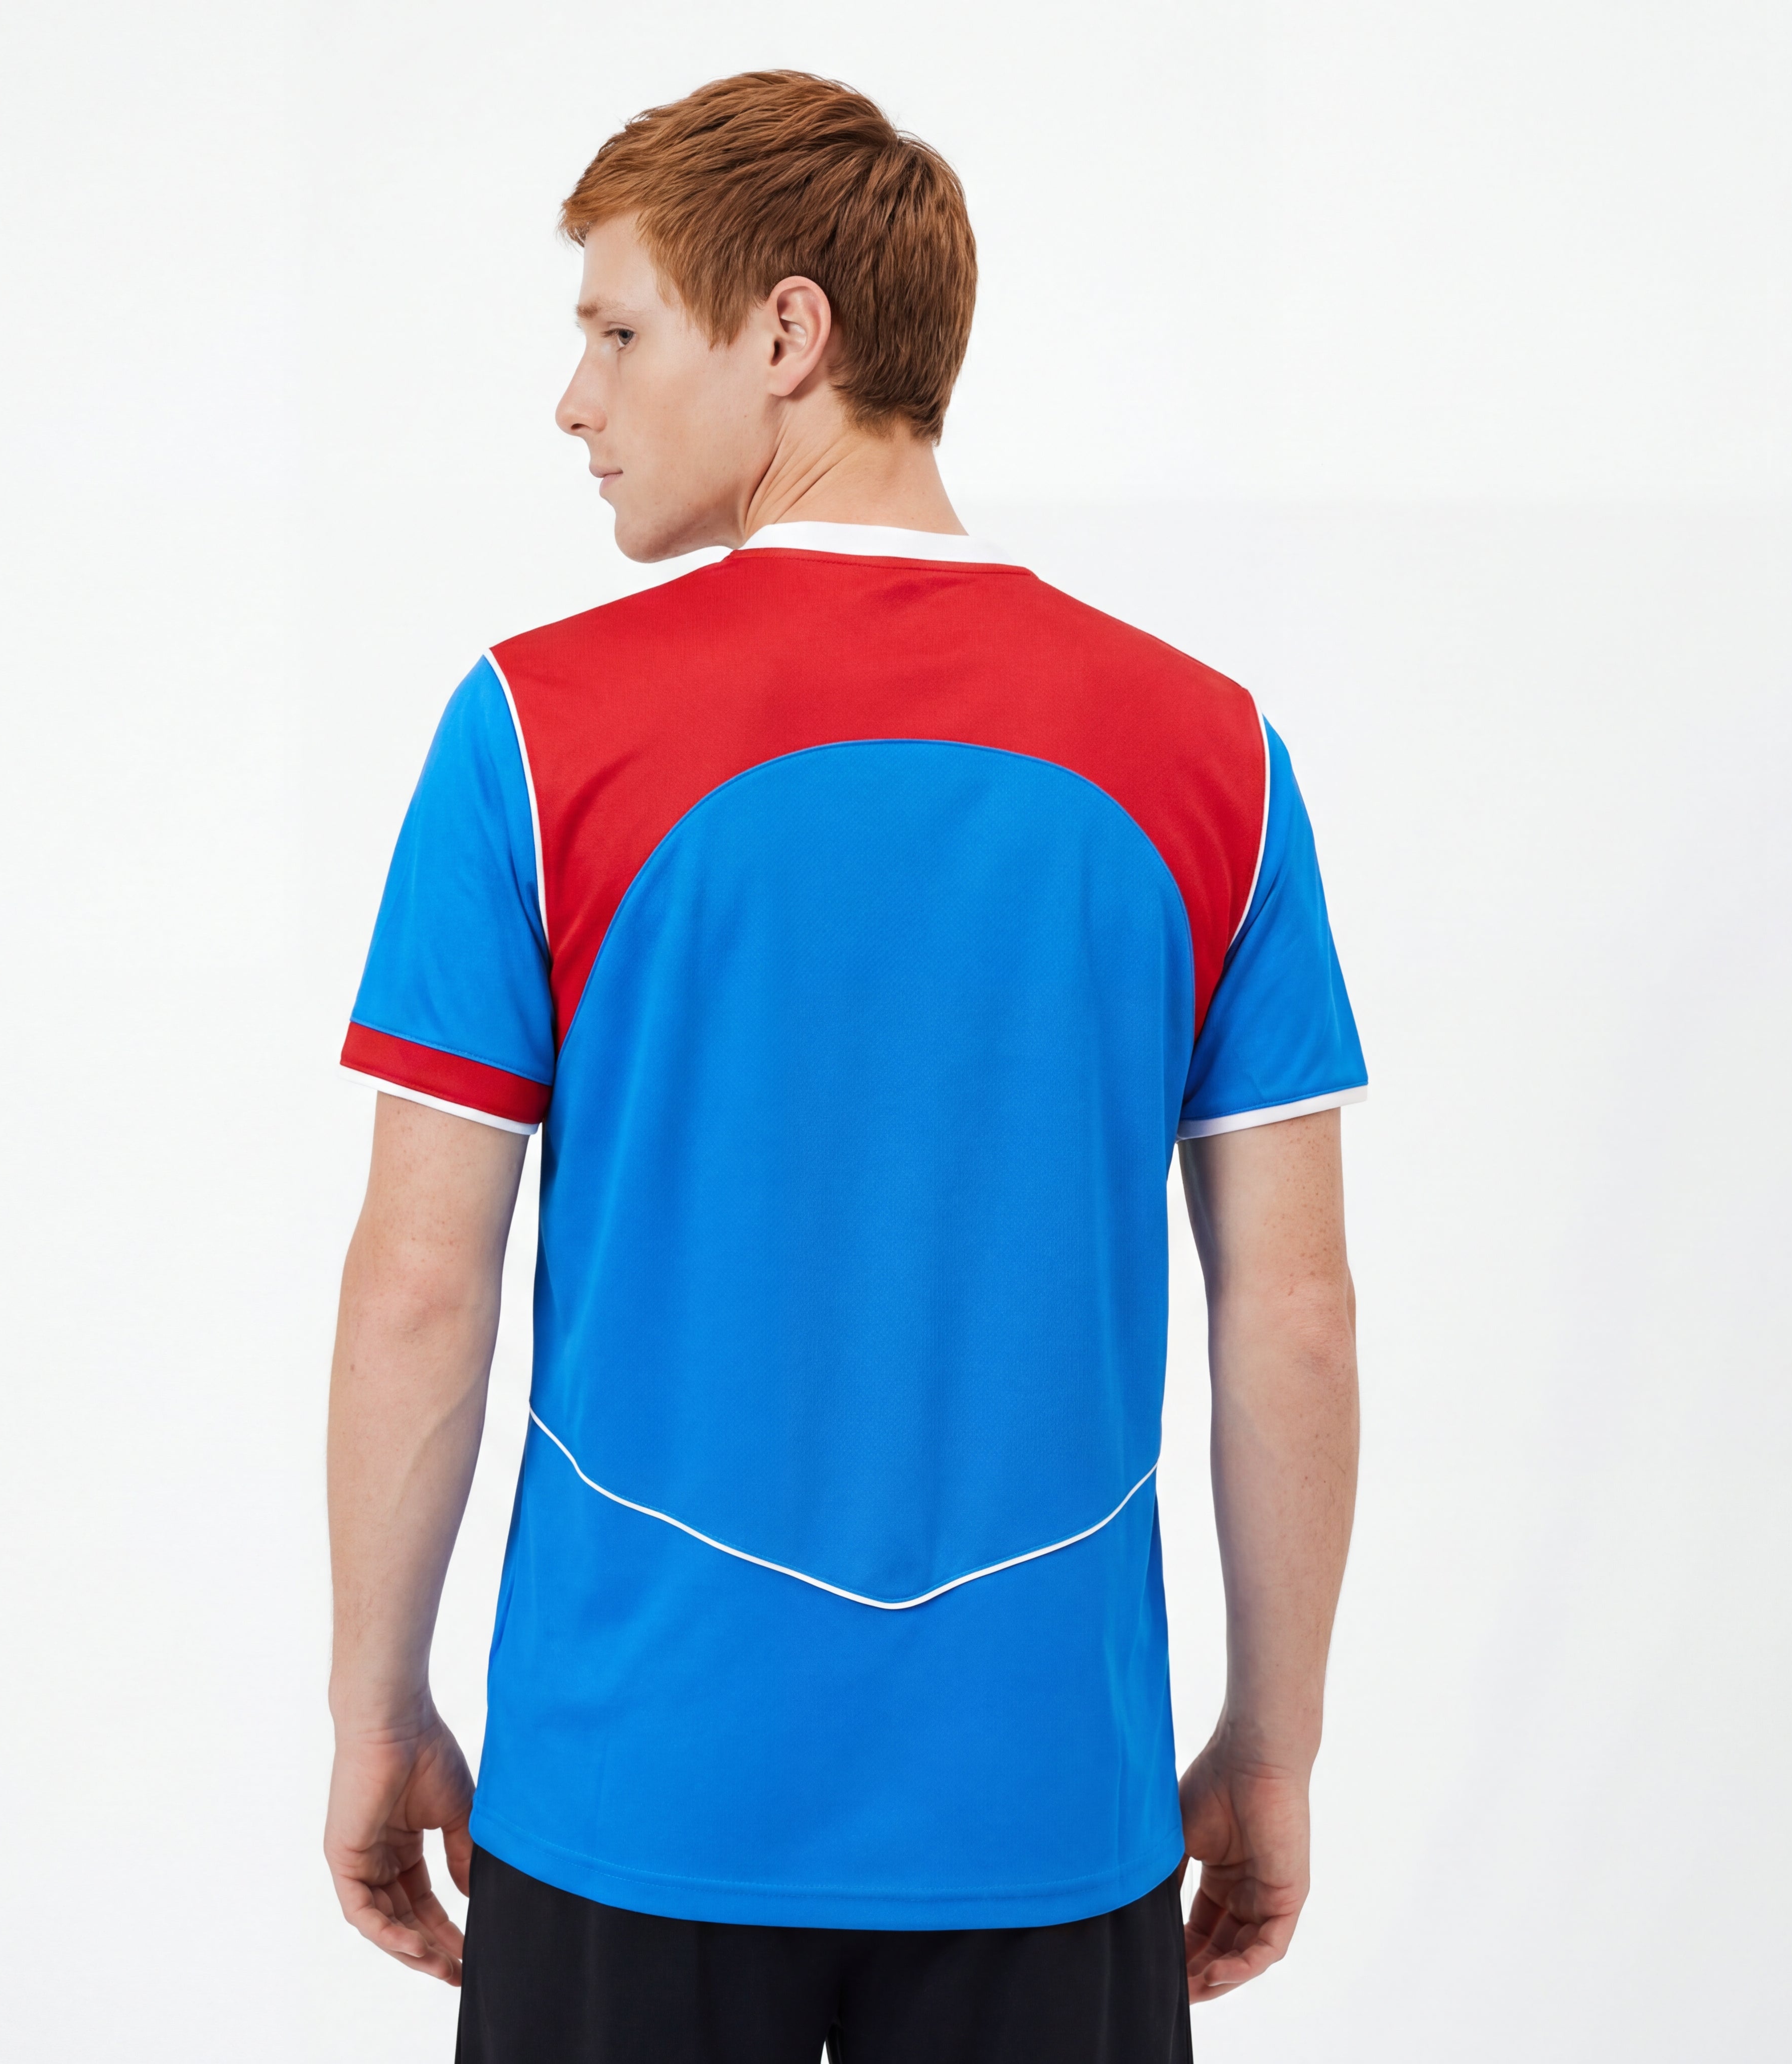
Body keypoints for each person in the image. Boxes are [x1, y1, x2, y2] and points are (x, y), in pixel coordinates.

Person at [322, 70, 1364, 2064]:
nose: (574, 400)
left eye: (618, 330)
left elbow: (419, 1284)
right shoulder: (1208, 750)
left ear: (786, 334)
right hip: (1044, 1804)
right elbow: (1293, 1314)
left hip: (630, 1790)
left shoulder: (536, 729)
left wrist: (378, 1708)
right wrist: (1273, 1742)